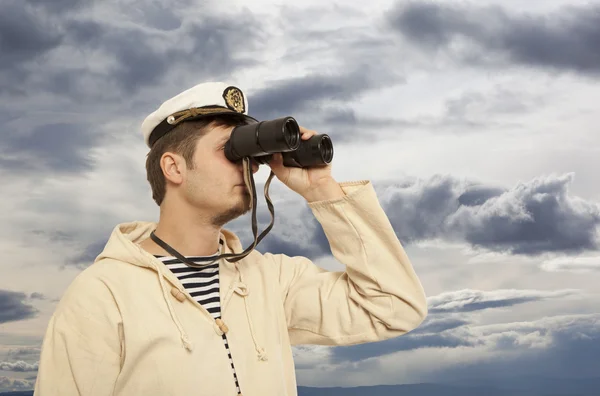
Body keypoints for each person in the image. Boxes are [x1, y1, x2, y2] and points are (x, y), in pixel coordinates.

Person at [33, 82, 428, 396]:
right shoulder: (103, 295)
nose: (248, 166)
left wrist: (321, 188)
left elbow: (394, 307)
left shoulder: (270, 280)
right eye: (230, 150)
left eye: (249, 151)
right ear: (174, 167)